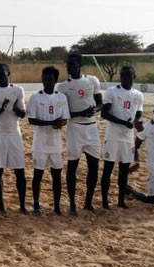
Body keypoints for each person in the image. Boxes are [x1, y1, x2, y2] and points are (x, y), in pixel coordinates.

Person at [57, 53, 102, 216]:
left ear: (80, 65)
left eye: (73, 64)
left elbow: (100, 103)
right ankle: (72, 204)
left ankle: (88, 202)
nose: (70, 67)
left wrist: (94, 110)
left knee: (94, 166)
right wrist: (81, 112)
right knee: (72, 167)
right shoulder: (62, 87)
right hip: (75, 128)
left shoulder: (92, 81)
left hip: (91, 128)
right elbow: (65, 112)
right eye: (68, 64)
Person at [0, 63, 27, 216]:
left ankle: (22, 205)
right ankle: (1, 206)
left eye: (3, 74)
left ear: (9, 74)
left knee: (19, 171)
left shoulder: (18, 90)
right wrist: (1, 109)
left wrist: (15, 107)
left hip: (15, 134)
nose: (0, 77)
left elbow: (23, 114)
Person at [100, 66, 144, 209]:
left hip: (127, 138)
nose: (125, 78)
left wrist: (135, 121)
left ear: (134, 77)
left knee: (124, 170)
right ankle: (105, 202)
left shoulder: (138, 94)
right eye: (123, 76)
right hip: (113, 136)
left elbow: (138, 112)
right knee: (108, 169)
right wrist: (123, 122)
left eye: (128, 76)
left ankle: (120, 200)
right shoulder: (112, 91)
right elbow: (104, 113)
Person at [27, 66, 69, 215]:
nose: (47, 82)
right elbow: (31, 120)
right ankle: (36, 204)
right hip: (40, 142)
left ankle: (57, 206)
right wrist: (50, 123)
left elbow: (65, 119)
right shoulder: (36, 97)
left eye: (50, 80)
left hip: (56, 144)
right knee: (38, 174)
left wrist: (60, 123)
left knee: (56, 175)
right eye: (44, 80)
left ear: (55, 80)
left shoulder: (61, 97)